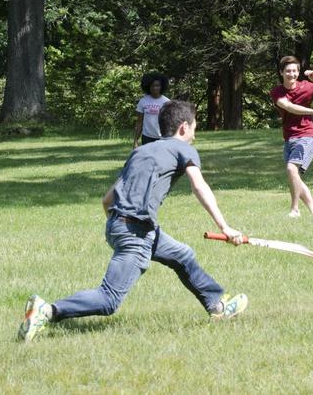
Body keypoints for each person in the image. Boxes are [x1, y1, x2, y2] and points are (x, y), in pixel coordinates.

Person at [18, 100, 248, 343]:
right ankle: (47, 310)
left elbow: (108, 199)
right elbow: (199, 186)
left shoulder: (140, 152)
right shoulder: (184, 149)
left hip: (120, 224)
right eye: (194, 128)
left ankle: (217, 306)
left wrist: (119, 225)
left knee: (182, 255)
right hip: (136, 231)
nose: (195, 134)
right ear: (183, 128)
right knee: (109, 299)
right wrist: (225, 227)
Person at [269, 56, 313, 217]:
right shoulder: (277, 91)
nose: (291, 74)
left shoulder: (307, 86)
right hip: (289, 137)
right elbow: (289, 107)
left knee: (291, 169)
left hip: (307, 135)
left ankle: (295, 209)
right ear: (281, 72)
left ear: (298, 72)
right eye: (288, 71)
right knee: (294, 175)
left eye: (294, 71)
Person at [134, 73, 170, 147]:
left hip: (162, 137)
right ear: (148, 87)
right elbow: (139, 122)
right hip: (147, 137)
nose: (155, 88)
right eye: (152, 86)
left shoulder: (167, 102)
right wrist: (136, 140)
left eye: (157, 86)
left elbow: (170, 122)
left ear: (161, 86)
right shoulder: (143, 101)